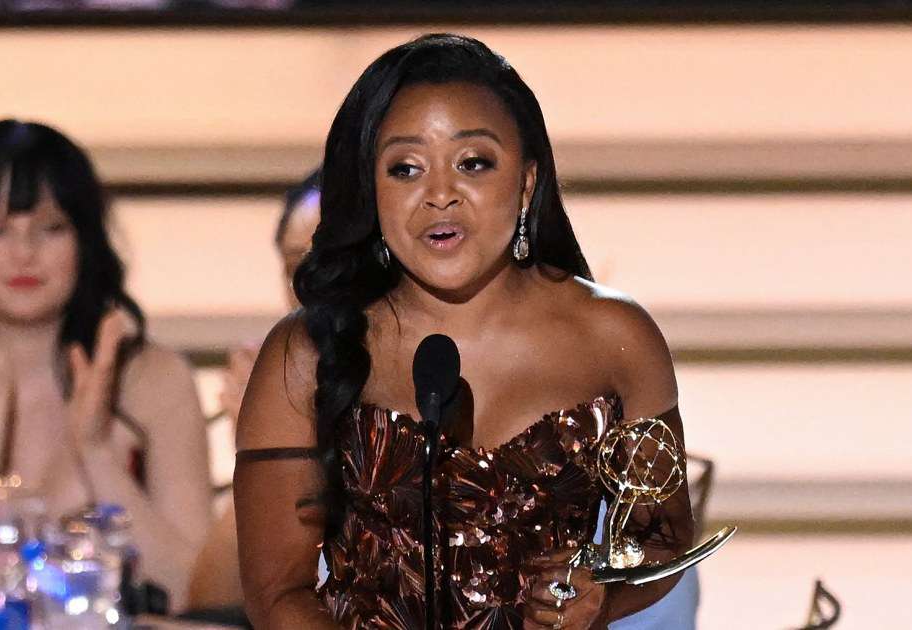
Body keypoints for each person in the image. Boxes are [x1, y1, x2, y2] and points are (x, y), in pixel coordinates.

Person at [234, 34, 695, 629]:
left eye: (473, 163)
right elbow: (277, 594)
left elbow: (662, 536)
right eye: (405, 169)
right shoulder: (305, 353)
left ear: (526, 182)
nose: (440, 195)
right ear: (372, 192)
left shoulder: (616, 338)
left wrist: (600, 592)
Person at [0, 119, 212, 609]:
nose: (24, 253)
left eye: (51, 228)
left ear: (86, 241)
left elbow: (190, 589)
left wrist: (96, 452)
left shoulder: (155, 380)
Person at [185, 169, 322, 614]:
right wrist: (262, 454)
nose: (315, 285)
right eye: (297, 267)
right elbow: (213, 605)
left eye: (338, 259)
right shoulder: (280, 379)